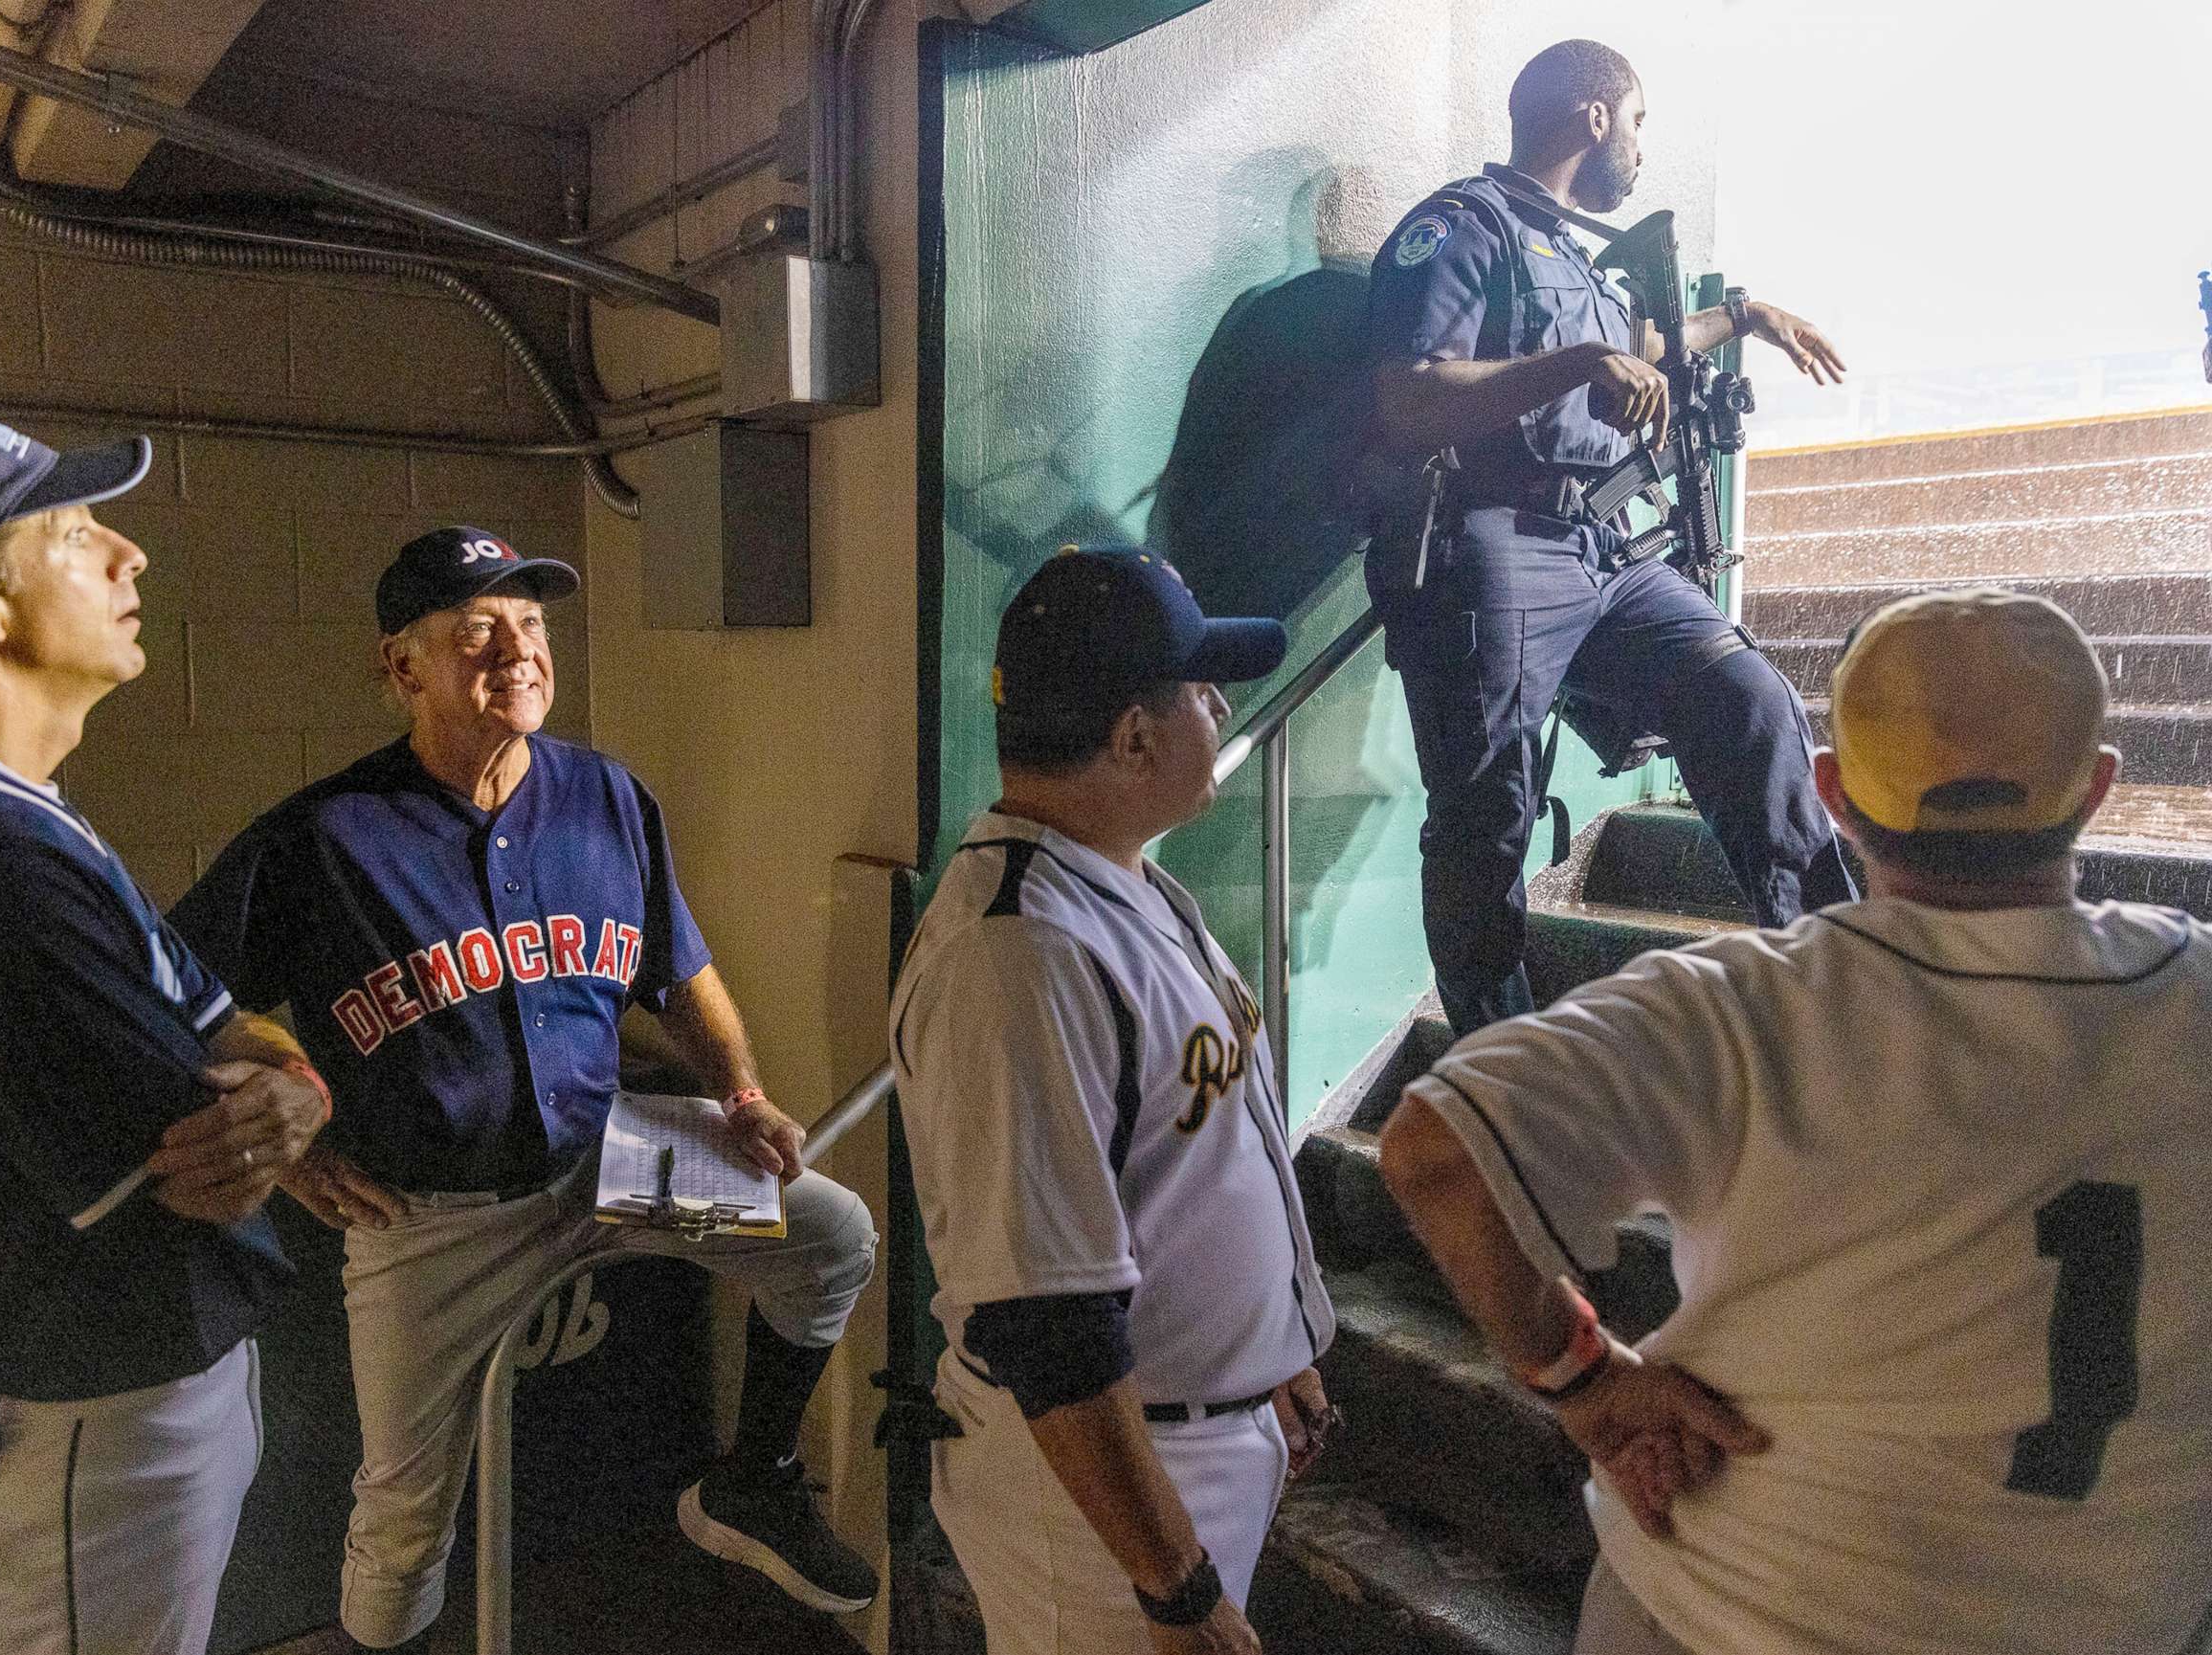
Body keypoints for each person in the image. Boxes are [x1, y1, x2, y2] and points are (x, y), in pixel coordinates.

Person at [1374, 588, 2212, 1654]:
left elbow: (1435, 1151)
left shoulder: (1744, 1005)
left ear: (1834, 796)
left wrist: (1583, 1380)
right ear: (2095, 789)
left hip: (1727, 1612)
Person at [167, 526, 880, 1652]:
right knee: (403, 1520)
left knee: (831, 1236)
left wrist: (740, 1095)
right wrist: (288, 1139)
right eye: (478, 630)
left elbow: (682, 975)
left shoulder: (606, 796)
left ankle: (755, 1480)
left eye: (533, 623)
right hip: (430, 1218)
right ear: (403, 668)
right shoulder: (325, 836)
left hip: (611, 1159)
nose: (519, 650)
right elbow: (180, 994)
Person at [0, 414, 330, 1655]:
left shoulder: (12, 814)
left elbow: (235, 1039)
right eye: (79, 534)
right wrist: (279, 1105)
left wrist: (298, 1088)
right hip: (78, 1438)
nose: (129, 556)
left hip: (119, 1414)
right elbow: (210, 1164)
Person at [890, 546, 1339, 1655]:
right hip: (1097, 1506)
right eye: (1197, 689)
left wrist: (1271, 1349)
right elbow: (1049, 1320)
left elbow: (1196, 1159)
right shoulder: (1019, 955)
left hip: (1186, 1441)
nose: (1221, 705)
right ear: (1133, 737)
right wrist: (1176, 1590)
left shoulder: (1117, 875)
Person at [1366, 37, 1856, 1035]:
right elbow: (1408, 399)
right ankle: (1496, 1066)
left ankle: (1841, 986)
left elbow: (1637, 351)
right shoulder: (1464, 227)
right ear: (1593, 117)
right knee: (1485, 819)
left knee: (1747, 696)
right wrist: (1576, 362)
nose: (1639, 147)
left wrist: (1746, 316)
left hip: (1602, 553)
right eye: (1636, 123)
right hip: (1493, 547)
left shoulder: (1570, 250)